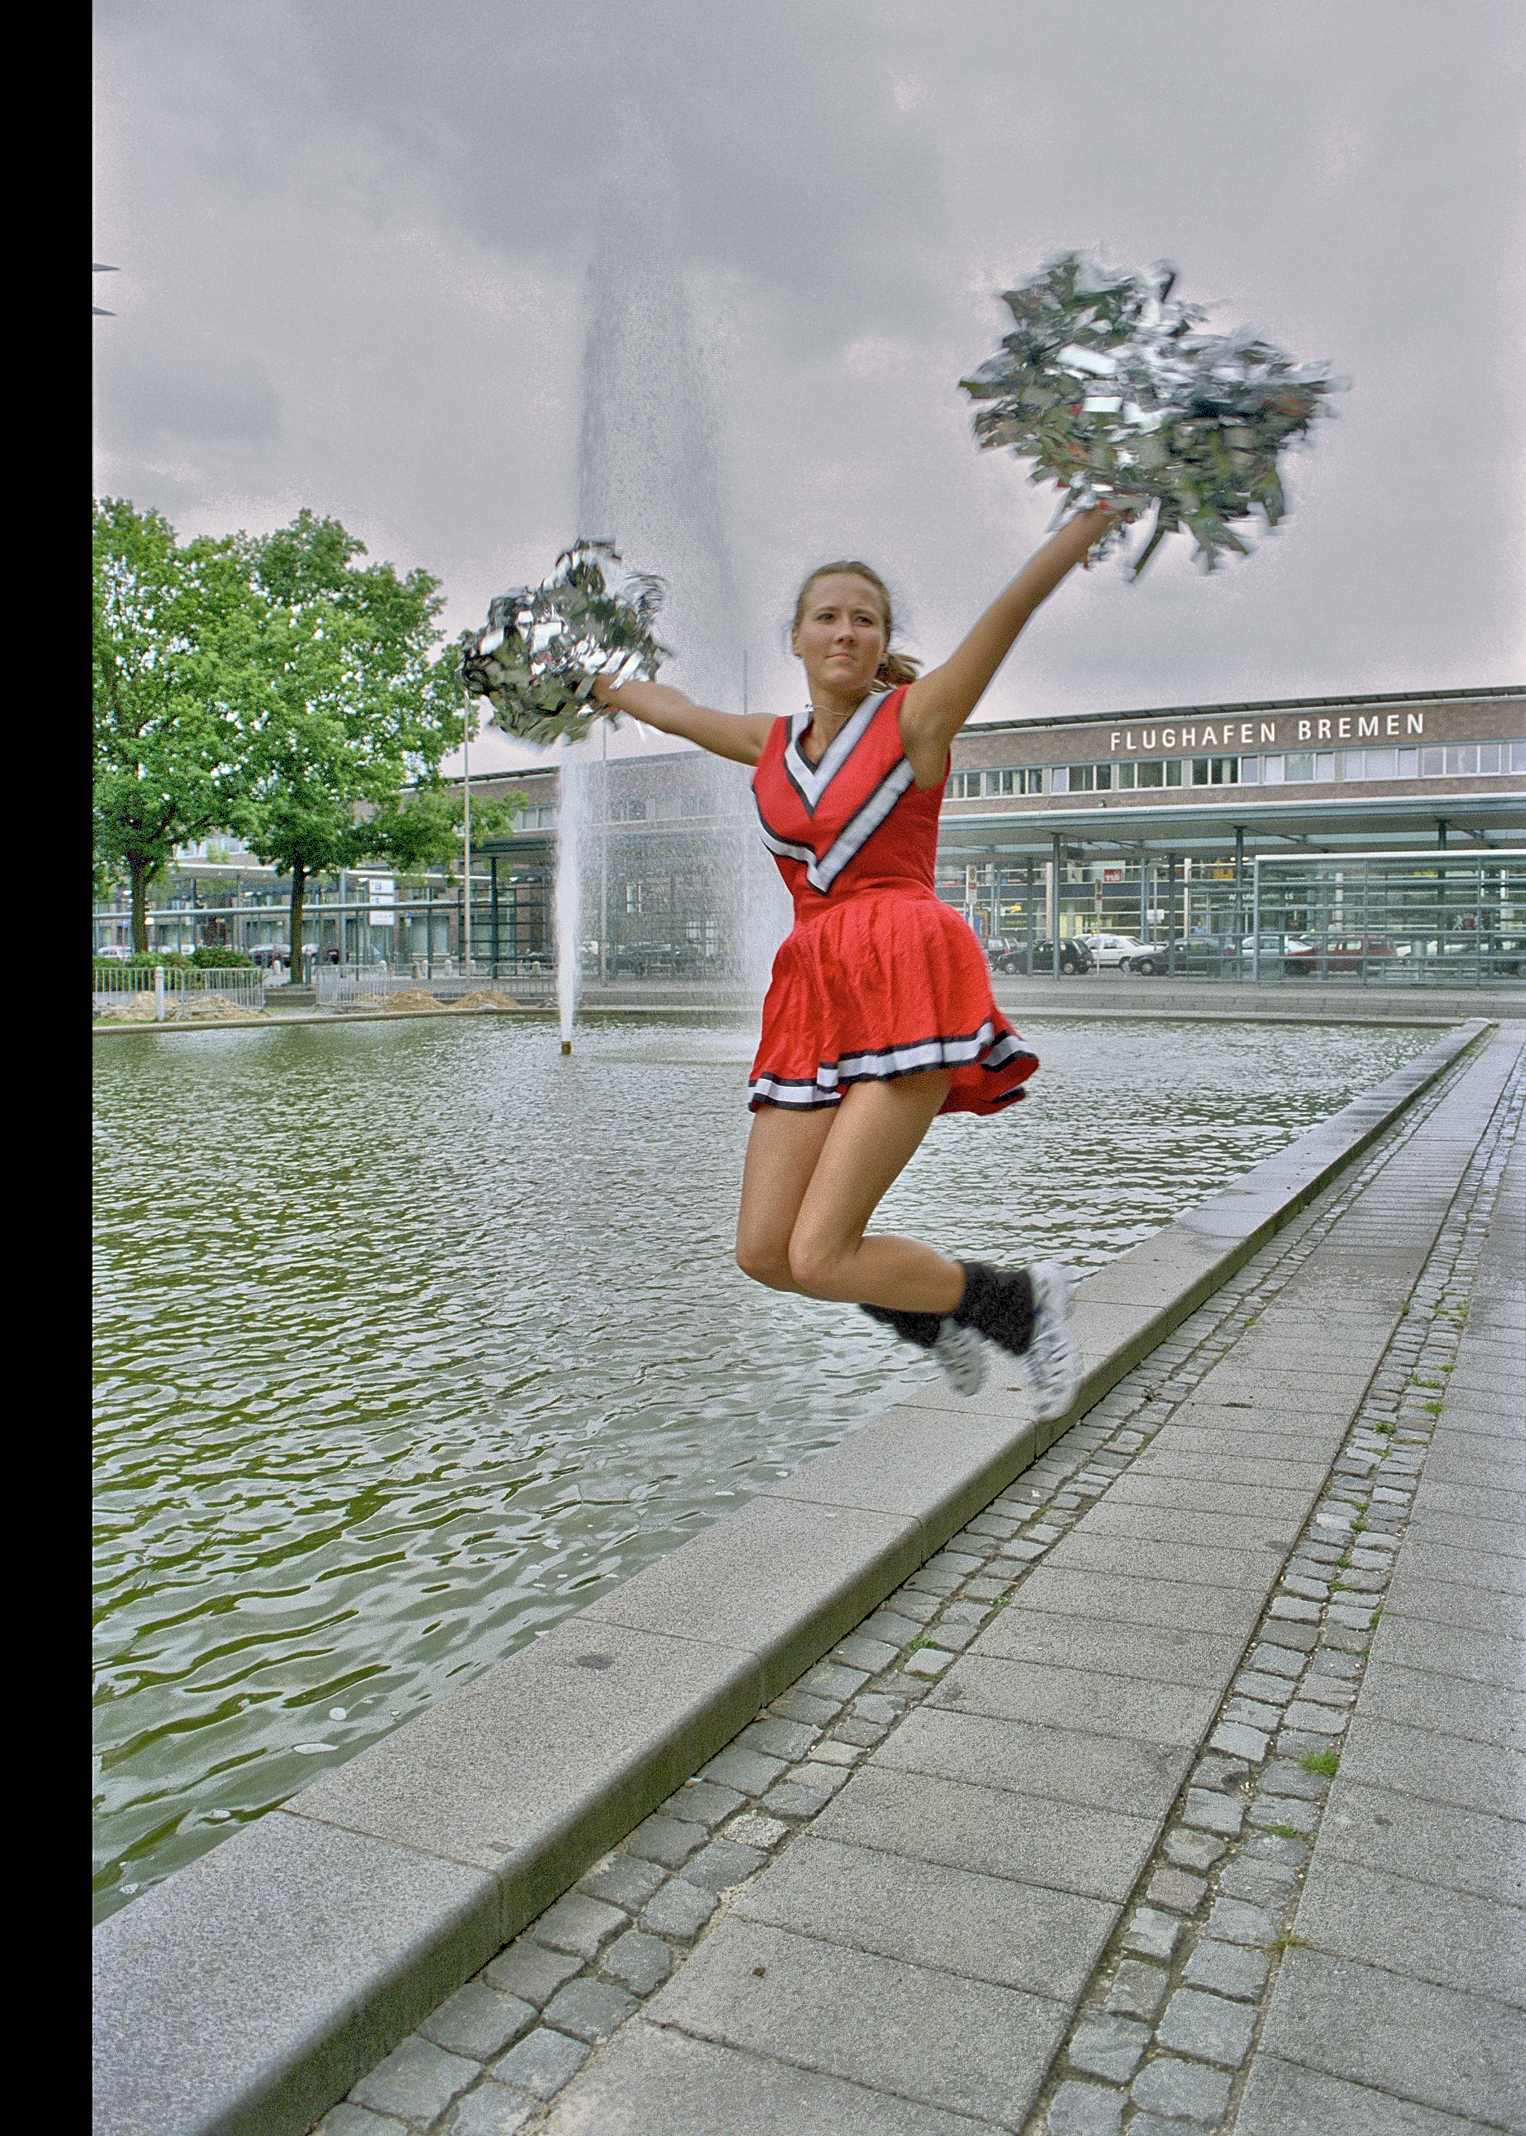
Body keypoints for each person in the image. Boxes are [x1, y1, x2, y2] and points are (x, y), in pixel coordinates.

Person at [592, 506, 1119, 1416]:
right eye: (828, 616)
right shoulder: (770, 745)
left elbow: (1007, 616)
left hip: (907, 970)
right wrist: (594, 685)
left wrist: (1081, 531)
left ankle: (1019, 1303)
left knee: (823, 1253)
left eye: (866, 618)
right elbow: (673, 711)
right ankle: (937, 1321)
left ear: (882, 643)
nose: (846, 631)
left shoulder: (918, 719)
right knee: (766, 1253)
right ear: (796, 637)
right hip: (814, 993)